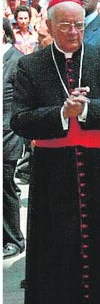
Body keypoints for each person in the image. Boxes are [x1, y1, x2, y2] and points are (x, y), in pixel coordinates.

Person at [10, 0, 100, 304]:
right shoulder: (30, 65)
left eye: (79, 26)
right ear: (49, 27)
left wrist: (85, 110)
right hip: (53, 177)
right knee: (57, 250)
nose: (73, 32)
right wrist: (60, 114)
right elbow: (20, 120)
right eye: (65, 25)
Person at [3, 20, 25, 260]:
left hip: (7, 134)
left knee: (6, 186)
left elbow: (21, 99)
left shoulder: (15, 59)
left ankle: (13, 239)